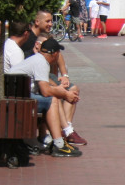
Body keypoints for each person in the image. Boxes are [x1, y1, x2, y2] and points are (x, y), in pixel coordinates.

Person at [8, 38, 81, 157]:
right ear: (55, 54)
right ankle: (58, 144)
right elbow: (46, 91)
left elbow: (48, 86)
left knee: (53, 98)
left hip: (14, 94)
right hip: (18, 98)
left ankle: (59, 140)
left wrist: (61, 92)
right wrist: (65, 94)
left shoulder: (37, 59)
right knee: (52, 101)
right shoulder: (41, 62)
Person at [27, 10, 87, 146]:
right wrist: (62, 91)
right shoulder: (30, 41)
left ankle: (65, 129)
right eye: (47, 21)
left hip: (45, 78)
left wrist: (64, 76)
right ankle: (64, 131)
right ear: (37, 22)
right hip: (35, 84)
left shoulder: (46, 38)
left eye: (51, 21)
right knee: (55, 97)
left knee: (73, 89)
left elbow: (58, 55)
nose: (51, 24)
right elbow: (42, 83)